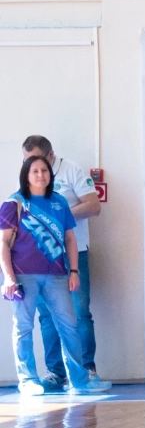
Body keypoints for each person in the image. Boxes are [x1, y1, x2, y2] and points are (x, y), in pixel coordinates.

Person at [0, 155, 109, 396]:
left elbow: (70, 238)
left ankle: (79, 380)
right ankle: (28, 380)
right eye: (35, 171)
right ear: (26, 175)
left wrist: (74, 270)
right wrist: (9, 277)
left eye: (45, 170)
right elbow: (3, 243)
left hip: (57, 275)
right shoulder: (13, 203)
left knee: (69, 326)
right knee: (24, 327)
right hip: (23, 276)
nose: (41, 175)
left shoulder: (59, 201)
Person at [20, 135, 101, 386]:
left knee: (79, 311)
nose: (32, 166)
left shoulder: (71, 171)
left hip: (73, 253)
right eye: (27, 161)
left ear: (51, 155)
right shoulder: (26, 181)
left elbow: (93, 205)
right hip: (41, 258)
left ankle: (86, 369)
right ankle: (56, 372)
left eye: (37, 160)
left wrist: (60, 217)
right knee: (46, 315)